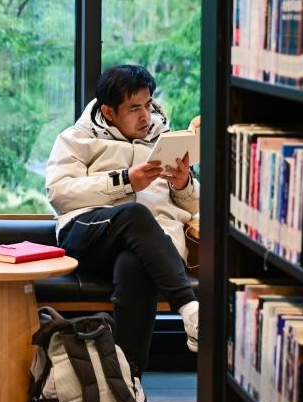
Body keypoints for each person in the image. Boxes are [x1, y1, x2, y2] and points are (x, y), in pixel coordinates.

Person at [44, 64, 199, 376]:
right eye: (134, 108)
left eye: (148, 105)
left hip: (149, 246)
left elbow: (193, 204)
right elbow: (59, 194)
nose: (145, 116)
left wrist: (183, 184)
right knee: (134, 212)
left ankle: (129, 380)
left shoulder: (165, 139)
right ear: (109, 112)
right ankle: (190, 309)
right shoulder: (76, 139)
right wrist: (125, 181)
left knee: (134, 265)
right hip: (88, 234)